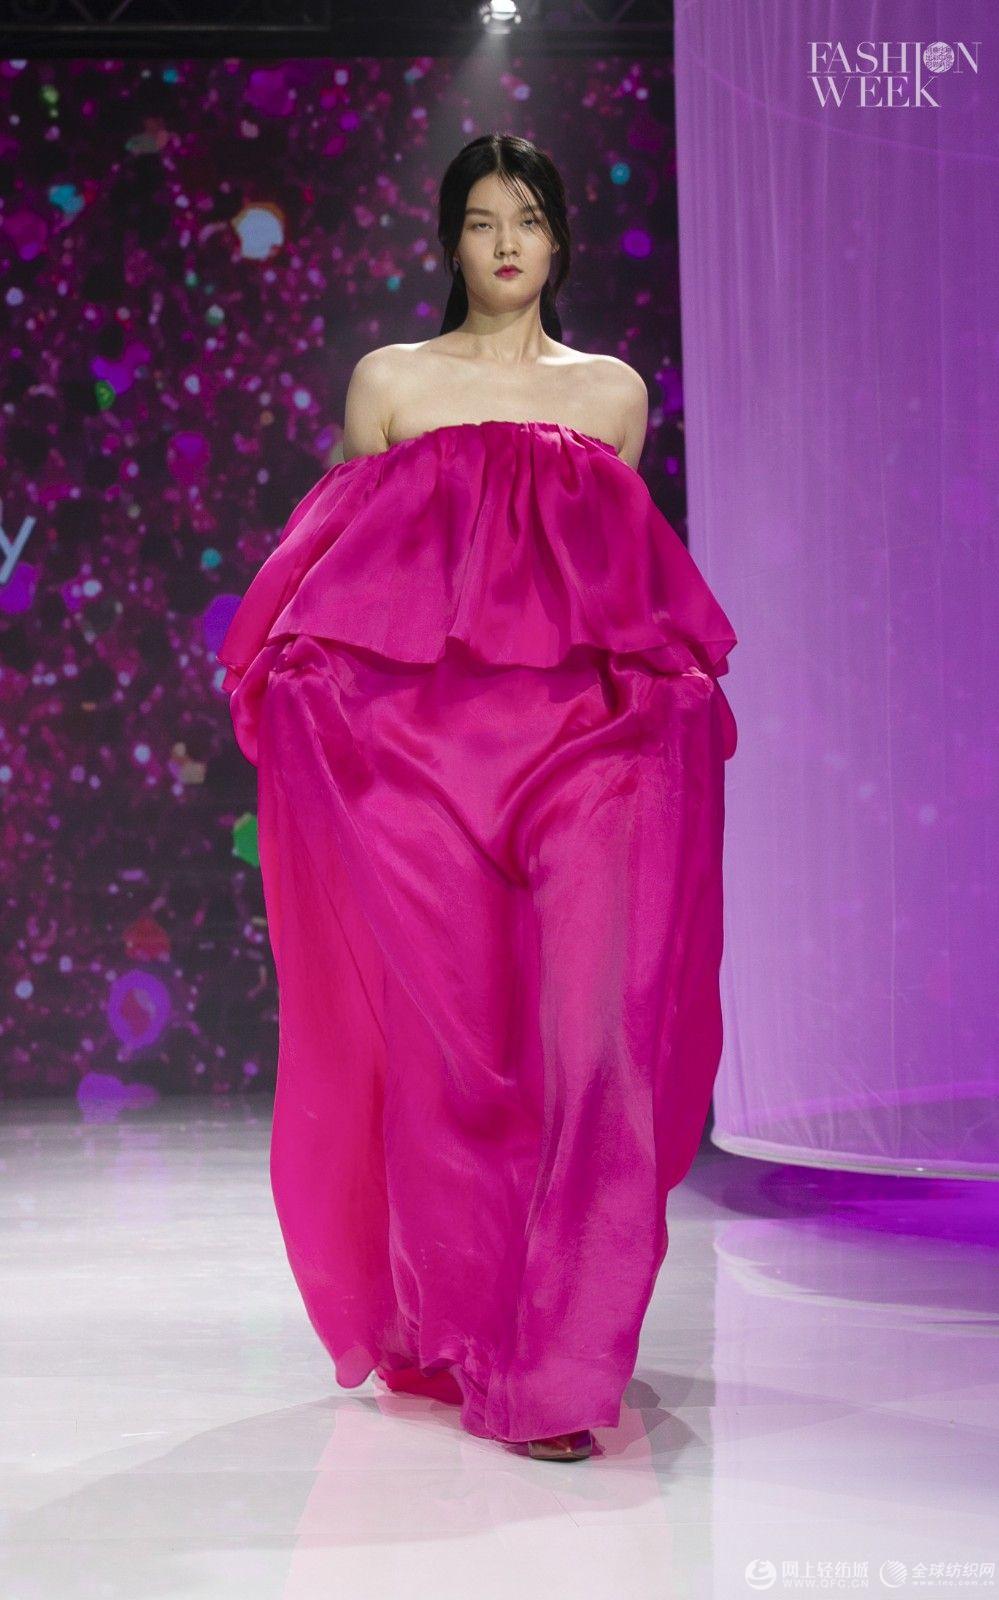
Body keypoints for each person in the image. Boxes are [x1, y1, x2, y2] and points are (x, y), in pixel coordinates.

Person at [218, 133, 738, 1463]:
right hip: (416, 762)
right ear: (450, 240)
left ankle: (561, 1365)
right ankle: (473, 1326)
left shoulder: (612, 396)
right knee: (458, 1051)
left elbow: (622, 583)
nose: (509, 244)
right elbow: (332, 567)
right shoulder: (391, 383)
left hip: (592, 754)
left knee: (595, 1041)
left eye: (531, 219)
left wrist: (674, 702)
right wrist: (302, 690)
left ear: (560, 239)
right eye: (483, 221)